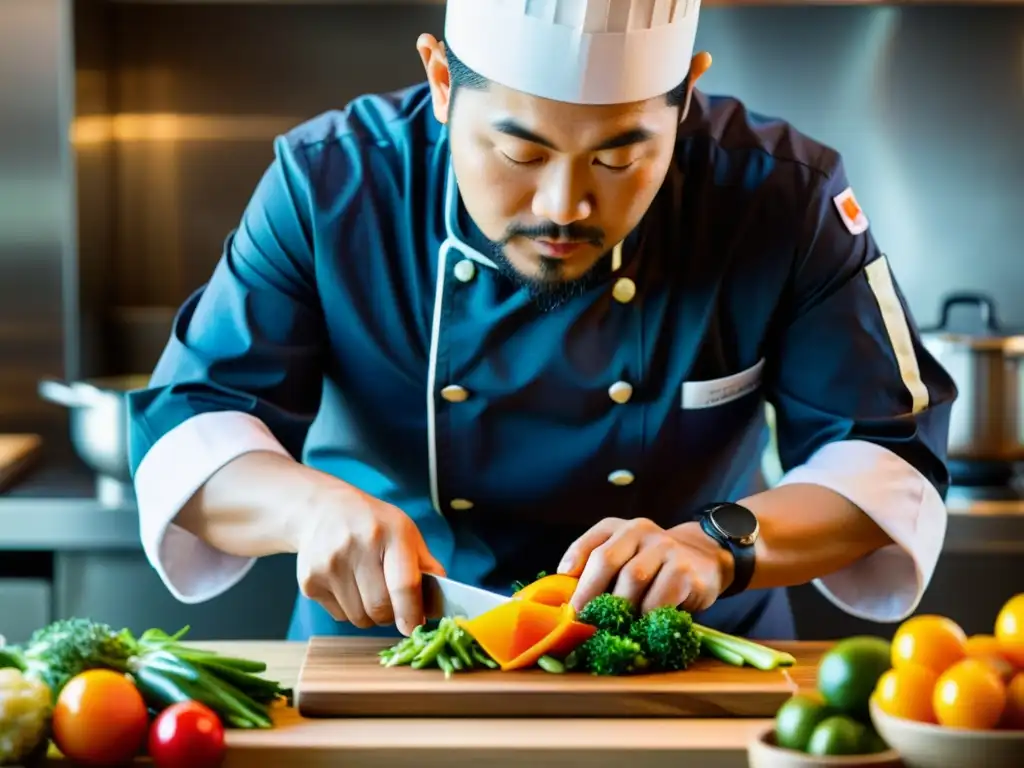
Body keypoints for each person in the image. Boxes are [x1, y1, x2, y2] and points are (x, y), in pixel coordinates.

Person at [126, 0, 957, 643]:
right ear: (443, 83)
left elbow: (887, 457)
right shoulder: (331, 184)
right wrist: (307, 511)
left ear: (687, 95)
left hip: (691, 670)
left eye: (619, 157)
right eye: (520, 154)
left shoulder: (782, 197)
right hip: (390, 663)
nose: (565, 205)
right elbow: (192, 429)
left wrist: (720, 544)